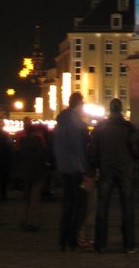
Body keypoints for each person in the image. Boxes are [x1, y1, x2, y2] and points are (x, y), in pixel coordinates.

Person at [92, 98, 139, 254]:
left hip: (106, 169)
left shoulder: (100, 127)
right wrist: (132, 162)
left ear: (109, 109)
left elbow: (93, 150)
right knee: (127, 207)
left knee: (102, 207)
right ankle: (129, 244)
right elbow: (135, 150)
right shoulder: (128, 127)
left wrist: (95, 167)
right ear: (121, 109)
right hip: (125, 169)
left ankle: (100, 244)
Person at [52, 92, 91, 251]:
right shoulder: (77, 123)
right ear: (79, 105)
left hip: (64, 167)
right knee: (79, 205)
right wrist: (85, 170)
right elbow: (80, 148)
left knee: (67, 204)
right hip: (76, 168)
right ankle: (73, 239)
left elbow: (54, 146)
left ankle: (63, 239)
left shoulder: (60, 122)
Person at [14, 118, 49, 231]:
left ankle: (22, 220)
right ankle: (32, 221)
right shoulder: (39, 145)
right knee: (34, 199)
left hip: (25, 173)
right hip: (37, 174)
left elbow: (18, 160)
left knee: (25, 199)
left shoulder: (21, 144)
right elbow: (43, 159)